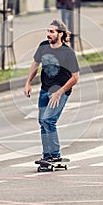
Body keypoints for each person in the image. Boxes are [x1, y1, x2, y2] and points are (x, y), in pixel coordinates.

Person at [24, 19, 80, 162]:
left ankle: (55, 154)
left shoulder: (68, 53)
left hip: (59, 92)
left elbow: (75, 77)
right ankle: (47, 154)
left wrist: (59, 92)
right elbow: (35, 64)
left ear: (60, 34)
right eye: (47, 31)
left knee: (48, 120)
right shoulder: (43, 46)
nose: (48, 34)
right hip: (44, 90)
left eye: (52, 32)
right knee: (42, 122)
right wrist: (28, 83)